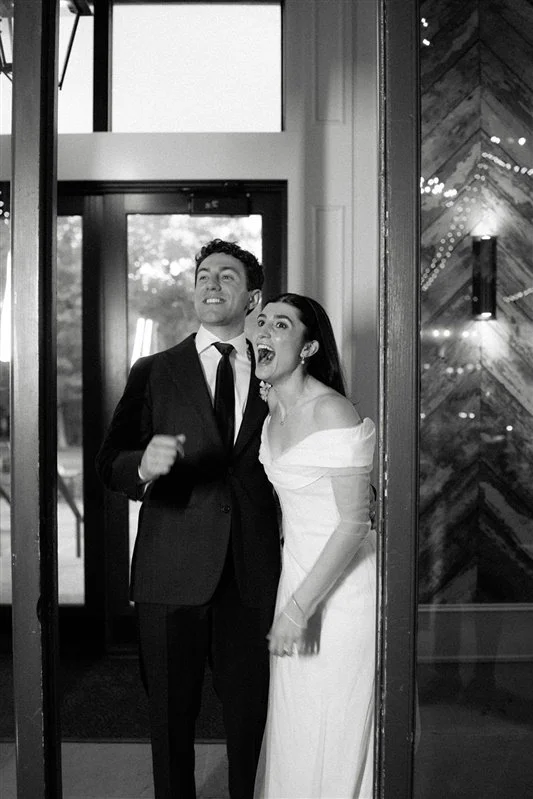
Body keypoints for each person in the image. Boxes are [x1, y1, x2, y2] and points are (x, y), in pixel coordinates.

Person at [96, 239, 281, 799]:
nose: (211, 283)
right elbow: (110, 462)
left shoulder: (279, 365)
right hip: (169, 570)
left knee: (251, 718)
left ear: (252, 296)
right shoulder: (154, 371)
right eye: (204, 274)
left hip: (252, 571)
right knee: (171, 719)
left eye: (227, 276)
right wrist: (142, 466)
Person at [252, 293, 376, 799]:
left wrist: (300, 610)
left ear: (307, 348)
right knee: (297, 720)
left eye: (281, 325)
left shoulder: (332, 410)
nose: (265, 331)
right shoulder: (271, 413)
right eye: (261, 322)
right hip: (297, 575)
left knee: (333, 718)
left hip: (343, 590)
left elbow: (353, 523)